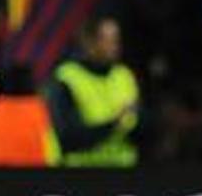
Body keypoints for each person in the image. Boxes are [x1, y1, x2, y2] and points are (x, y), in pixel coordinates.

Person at [46, 16, 141, 167]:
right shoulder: (67, 78)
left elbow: (138, 127)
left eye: (116, 40)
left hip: (122, 172)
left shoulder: (123, 75)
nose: (115, 46)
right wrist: (114, 124)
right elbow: (69, 137)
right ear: (89, 43)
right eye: (108, 40)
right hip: (81, 173)